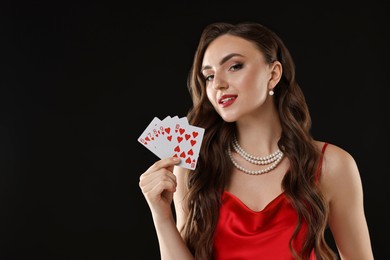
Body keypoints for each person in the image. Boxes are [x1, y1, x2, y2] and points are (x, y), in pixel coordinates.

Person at [138, 21, 374, 260]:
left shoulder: (331, 164)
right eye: (208, 76)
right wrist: (161, 215)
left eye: (235, 66)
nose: (218, 84)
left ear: (273, 74)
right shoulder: (194, 167)